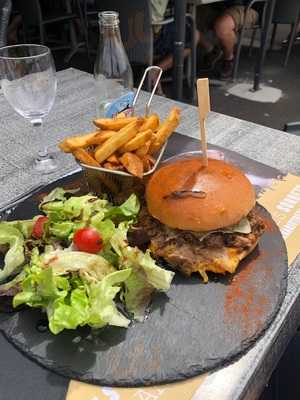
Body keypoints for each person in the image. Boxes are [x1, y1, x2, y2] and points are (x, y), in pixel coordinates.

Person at [151, 0, 201, 95]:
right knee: (194, 35)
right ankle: (156, 70)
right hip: (154, 36)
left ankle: (154, 71)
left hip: (130, 36)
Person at [213, 1, 263, 80]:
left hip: (249, 6)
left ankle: (228, 59)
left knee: (223, 26)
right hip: (215, 5)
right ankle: (209, 47)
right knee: (191, 19)